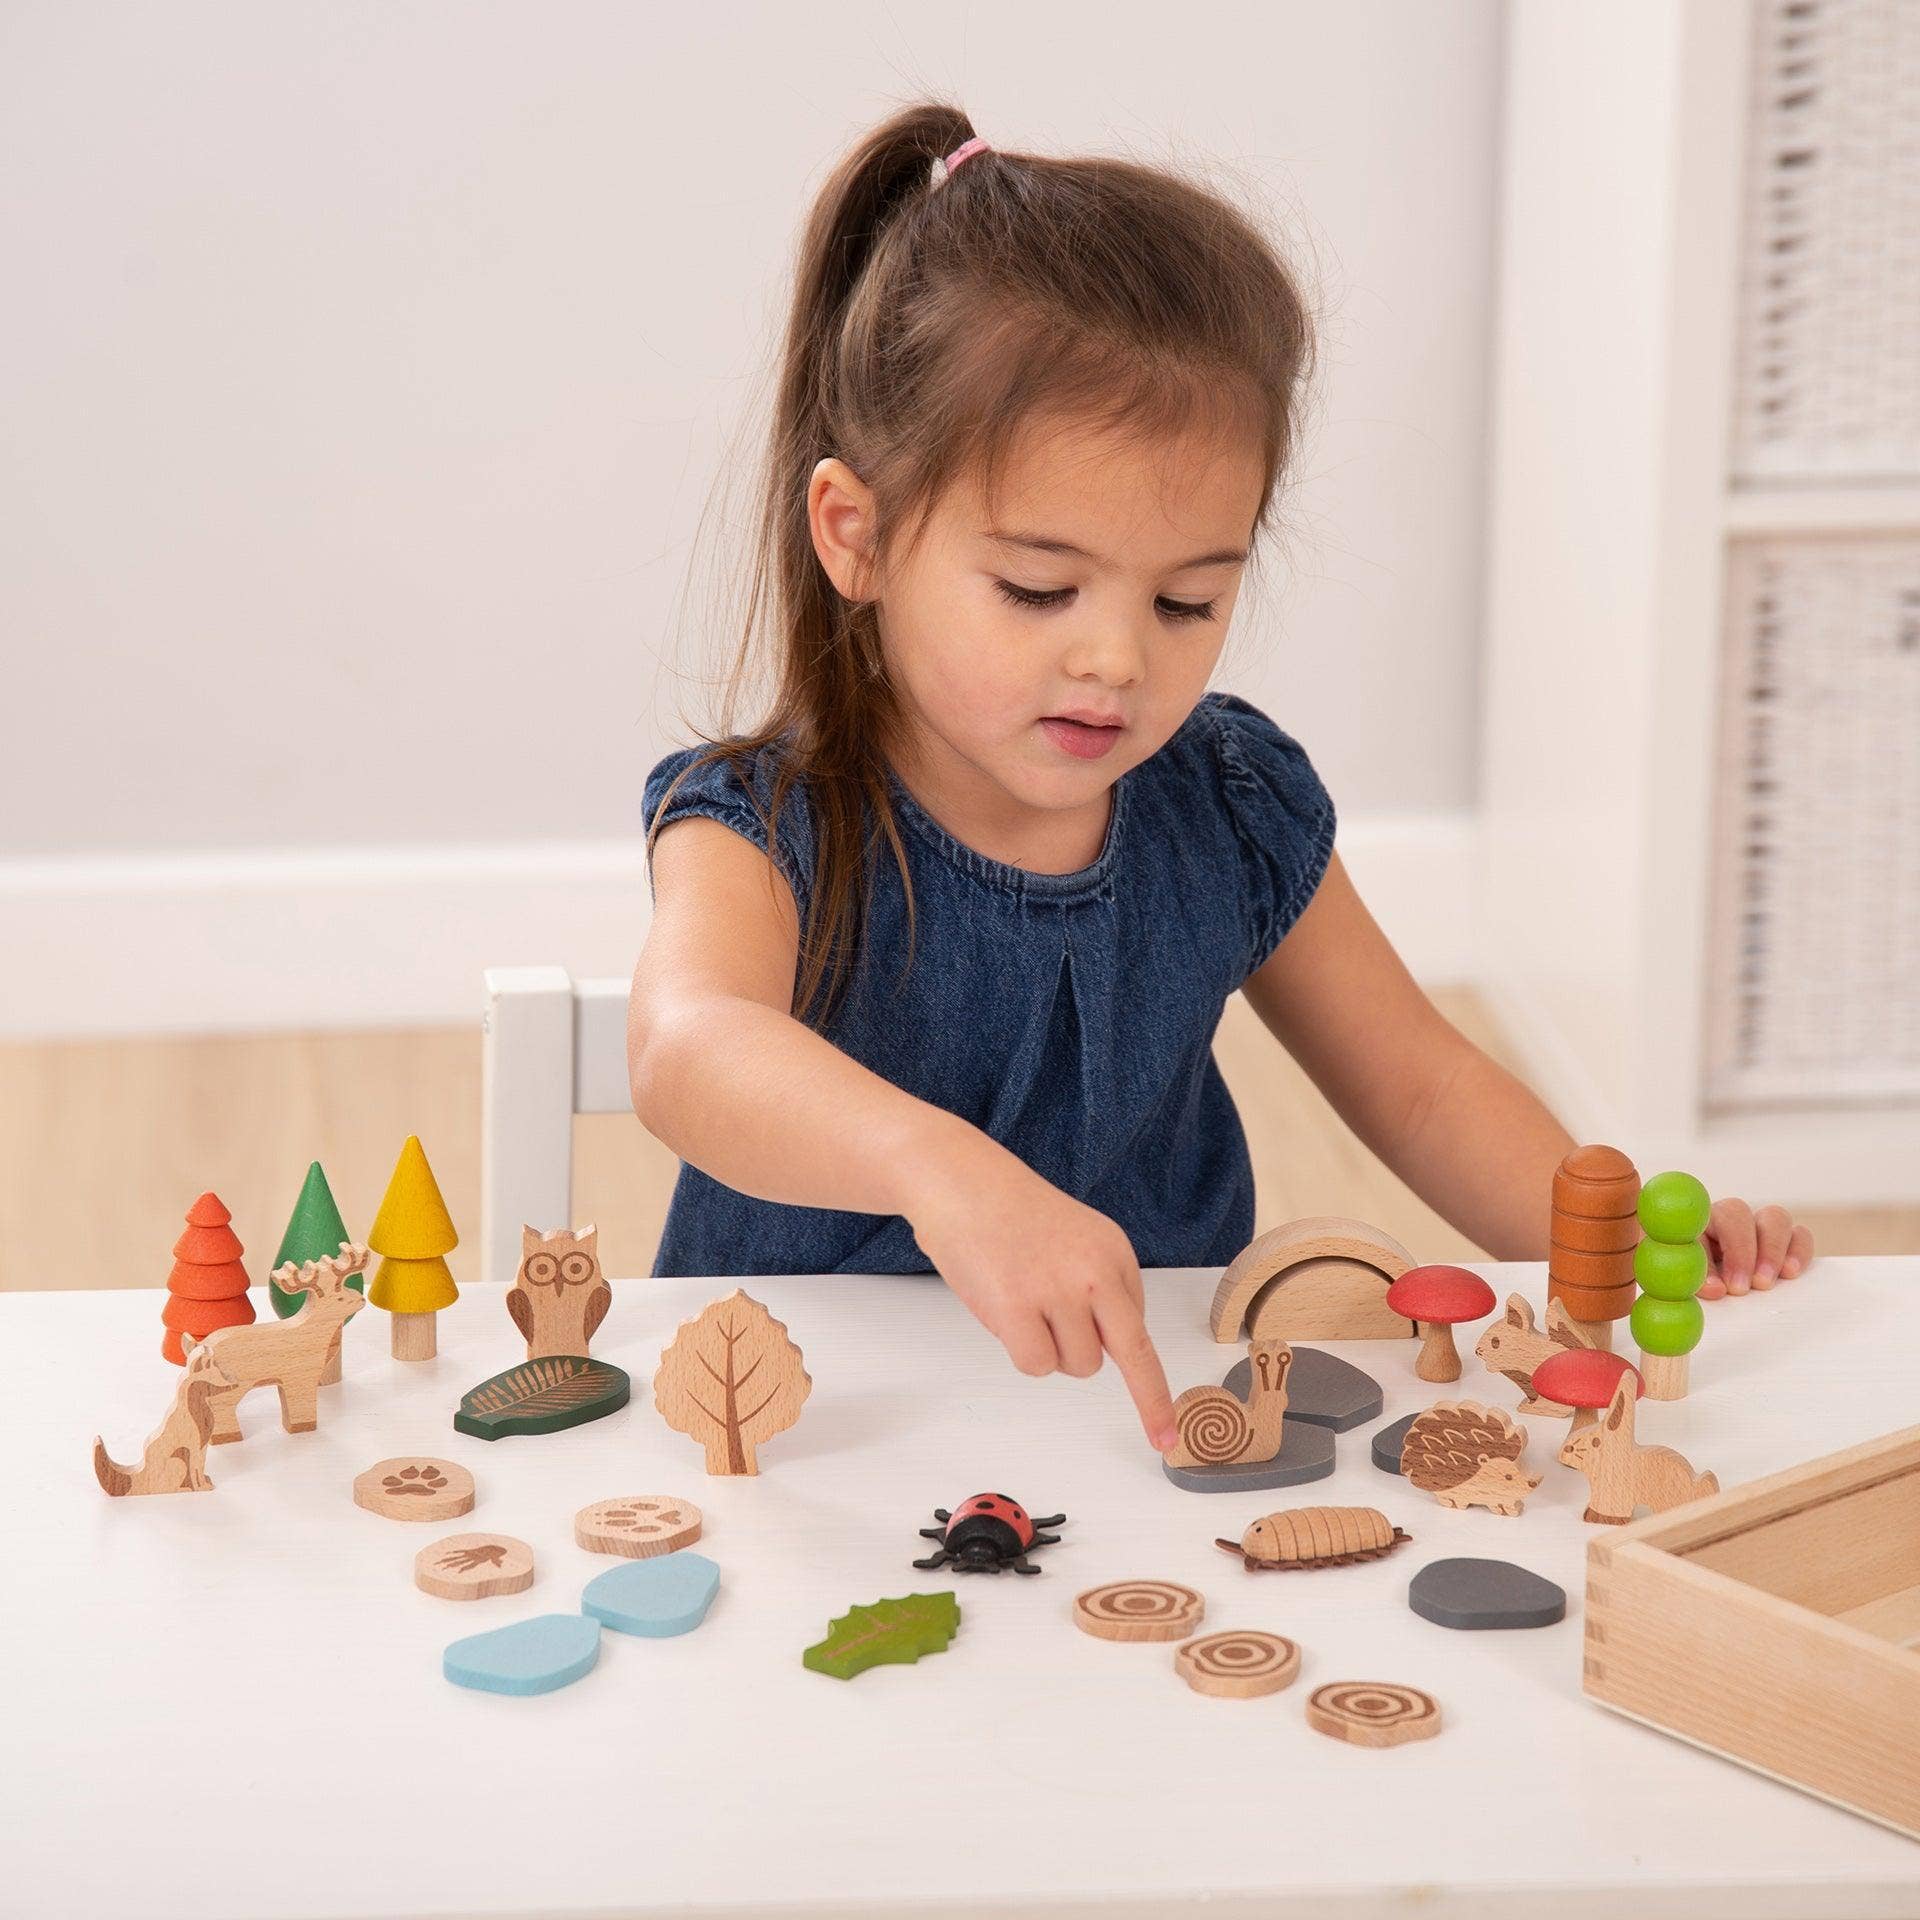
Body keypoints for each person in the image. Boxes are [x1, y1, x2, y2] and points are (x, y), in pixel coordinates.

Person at [628, 105, 1812, 1452]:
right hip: (812, 1431)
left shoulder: (1227, 807)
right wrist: (940, 1171)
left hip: (1150, 1423)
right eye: (1037, 586)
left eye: (1188, 601)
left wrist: (1615, 1246)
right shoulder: (766, 820)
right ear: (861, 536)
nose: (1117, 658)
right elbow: (688, 1048)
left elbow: (1419, 1083)